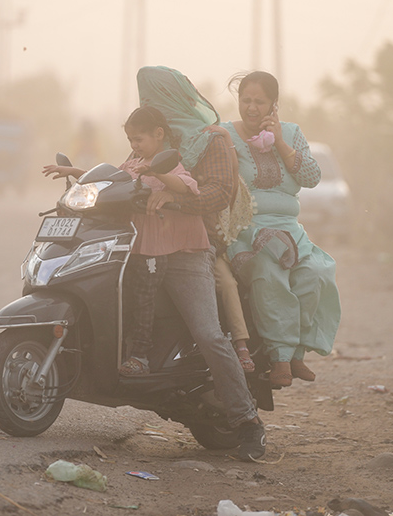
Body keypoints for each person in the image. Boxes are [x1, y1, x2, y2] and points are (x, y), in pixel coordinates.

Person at [136, 66, 265, 462]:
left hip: (192, 249)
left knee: (209, 335)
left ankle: (248, 423)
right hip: (146, 244)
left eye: (155, 96)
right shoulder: (153, 138)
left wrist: (174, 201)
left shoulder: (212, 140)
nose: (149, 104)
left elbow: (218, 195)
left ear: (174, 96)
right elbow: (125, 176)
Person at [43, 106, 211, 377]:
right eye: (131, 140)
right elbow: (110, 183)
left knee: (144, 298)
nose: (134, 145)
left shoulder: (166, 162)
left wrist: (158, 173)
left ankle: (140, 357)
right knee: (121, 297)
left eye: (139, 139)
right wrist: (74, 171)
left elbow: (186, 186)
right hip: (130, 245)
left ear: (158, 135)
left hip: (155, 248)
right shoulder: (133, 163)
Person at [210, 71, 342, 388]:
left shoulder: (292, 133)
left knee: (316, 274)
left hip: (289, 231)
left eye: (259, 102)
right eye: (246, 100)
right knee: (268, 273)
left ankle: (297, 353)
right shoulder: (225, 135)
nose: (251, 108)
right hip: (246, 232)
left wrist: (279, 141)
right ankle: (280, 358)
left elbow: (311, 177)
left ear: (273, 105)